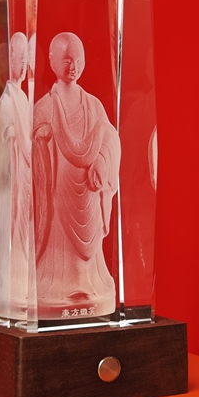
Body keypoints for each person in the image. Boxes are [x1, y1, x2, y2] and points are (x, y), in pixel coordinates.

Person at [32, 32, 119, 318]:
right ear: (52, 61)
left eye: (79, 60)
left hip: (90, 187)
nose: (73, 67)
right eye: (67, 60)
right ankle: (57, 285)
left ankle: (89, 284)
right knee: (59, 242)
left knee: (89, 254)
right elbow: (31, 151)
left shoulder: (93, 105)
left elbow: (110, 137)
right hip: (58, 188)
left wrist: (102, 163)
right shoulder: (44, 107)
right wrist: (40, 141)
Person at [0, 32, 32, 318]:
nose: (24, 64)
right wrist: (20, 138)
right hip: (14, 182)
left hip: (26, 178)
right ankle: (11, 290)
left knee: (25, 236)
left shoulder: (23, 96)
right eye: (20, 58)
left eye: (26, 58)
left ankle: (24, 288)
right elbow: (9, 138)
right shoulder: (6, 101)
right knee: (13, 233)